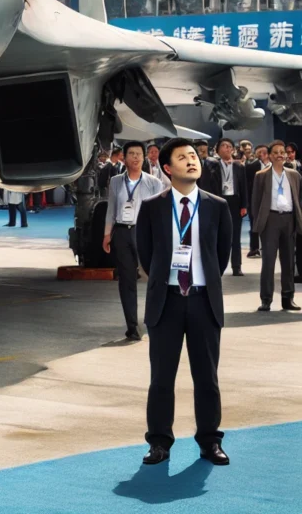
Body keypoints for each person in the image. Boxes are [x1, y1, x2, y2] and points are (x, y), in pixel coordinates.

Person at [136, 138, 232, 466]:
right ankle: (159, 442)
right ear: (167, 168)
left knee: (207, 377)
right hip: (167, 302)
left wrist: (201, 285)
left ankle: (210, 440)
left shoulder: (217, 206)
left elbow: (220, 256)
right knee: (162, 378)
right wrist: (172, 282)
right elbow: (147, 255)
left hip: (204, 302)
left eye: (194, 156)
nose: (192, 161)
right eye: (183, 157)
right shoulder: (152, 207)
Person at [103, 141, 166, 341]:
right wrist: (107, 234)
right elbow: (111, 209)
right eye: (132, 154)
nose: (136, 157)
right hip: (122, 232)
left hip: (144, 232)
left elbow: (158, 212)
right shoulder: (115, 181)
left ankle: (154, 320)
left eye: (139, 154)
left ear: (144, 157)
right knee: (127, 280)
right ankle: (132, 326)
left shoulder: (153, 182)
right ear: (125, 157)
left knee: (153, 277)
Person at [251, 141, 301, 312]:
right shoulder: (261, 175)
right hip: (270, 220)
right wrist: (258, 224)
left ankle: (288, 298)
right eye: (276, 152)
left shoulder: (294, 175)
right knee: (268, 261)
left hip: (288, 219)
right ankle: (266, 299)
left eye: (282, 152)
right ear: (270, 156)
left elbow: (298, 199)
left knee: (288, 261)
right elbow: (256, 202)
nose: (280, 154)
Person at [202, 138, 247, 276]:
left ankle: (237, 266)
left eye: (229, 146)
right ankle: (215, 265)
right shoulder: (212, 165)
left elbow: (244, 186)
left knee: (235, 236)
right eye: (223, 146)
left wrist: (244, 205)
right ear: (218, 150)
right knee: (217, 234)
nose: (226, 148)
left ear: (233, 150)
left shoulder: (239, 166)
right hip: (219, 200)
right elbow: (206, 185)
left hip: (235, 201)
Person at [245, 144, 269, 258]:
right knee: (254, 223)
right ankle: (254, 248)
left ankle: (267, 246)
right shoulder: (251, 167)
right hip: (254, 199)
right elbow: (247, 184)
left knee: (269, 224)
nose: (261, 155)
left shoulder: (274, 166)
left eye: (264, 152)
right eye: (259, 152)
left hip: (270, 200)